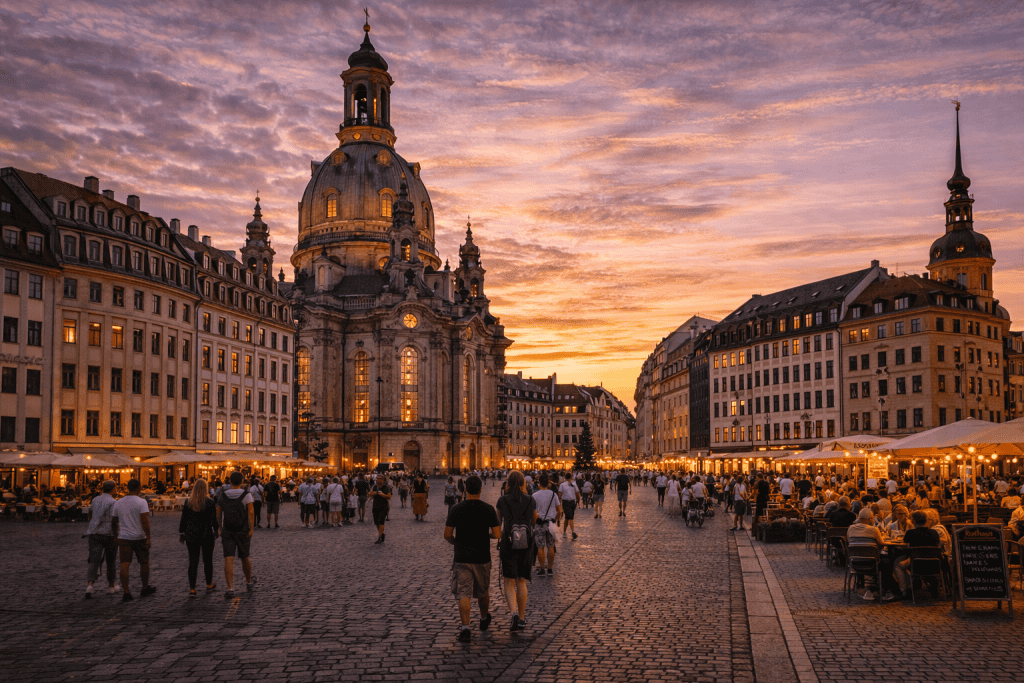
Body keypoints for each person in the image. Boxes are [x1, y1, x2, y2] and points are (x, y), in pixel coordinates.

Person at [444, 475, 500, 642]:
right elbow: (497, 534)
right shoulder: (488, 509)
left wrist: (456, 542)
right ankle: (483, 619)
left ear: (465, 489)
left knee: (463, 593)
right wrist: (485, 534)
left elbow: (447, 534)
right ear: (481, 490)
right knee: (483, 591)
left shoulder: (456, 509)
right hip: (482, 556)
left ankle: (466, 628)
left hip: (462, 557)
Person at [495, 471, 537, 632]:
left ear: (509, 483)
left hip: (508, 542)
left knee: (508, 580)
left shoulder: (502, 500)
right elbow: (534, 520)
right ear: (522, 484)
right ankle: (521, 617)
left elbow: (498, 523)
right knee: (521, 580)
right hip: (525, 543)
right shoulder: (530, 499)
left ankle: (512, 612)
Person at [111, 479, 155, 602]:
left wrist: (115, 535)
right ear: (139, 488)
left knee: (124, 564)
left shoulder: (118, 503)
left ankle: (126, 592)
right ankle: (145, 587)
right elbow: (145, 521)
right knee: (144, 562)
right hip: (140, 537)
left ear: (128, 488)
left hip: (124, 537)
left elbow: (114, 522)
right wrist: (148, 537)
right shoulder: (141, 502)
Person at [216, 471, 255, 598]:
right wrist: (251, 529)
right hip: (242, 530)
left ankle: (230, 587)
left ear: (230, 481)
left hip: (227, 530)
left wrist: (220, 527)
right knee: (245, 557)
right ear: (242, 481)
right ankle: (249, 581)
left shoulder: (223, 495)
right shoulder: (246, 495)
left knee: (228, 558)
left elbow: (218, 513)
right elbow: (250, 513)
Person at [178, 478, 219, 597]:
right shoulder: (210, 502)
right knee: (208, 561)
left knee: (193, 561)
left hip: (191, 534)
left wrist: (181, 532)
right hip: (206, 534)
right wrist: (216, 530)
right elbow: (213, 520)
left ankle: (192, 588)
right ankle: (209, 584)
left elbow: (184, 519)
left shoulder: (188, 502)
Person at [893, 510, 942, 600]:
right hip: (933, 564)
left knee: (898, 565)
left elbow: (904, 544)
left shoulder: (910, 533)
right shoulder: (934, 533)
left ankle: (904, 590)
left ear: (913, 521)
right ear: (926, 520)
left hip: (916, 563)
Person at [85, 480, 119, 598]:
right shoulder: (113, 502)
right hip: (109, 533)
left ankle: (90, 585)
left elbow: (90, 514)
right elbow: (115, 519)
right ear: (113, 489)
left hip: (94, 532)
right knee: (111, 561)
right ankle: (111, 585)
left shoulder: (95, 500)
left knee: (94, 560)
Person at [846, 508, 890, 601]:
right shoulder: (874, 530)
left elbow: (848, 540)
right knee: (887, 561)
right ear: (870, 519)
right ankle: (886, 589)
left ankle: (865, 586)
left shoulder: (851, 528)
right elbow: (882, 543)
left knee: (868, 556)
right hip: (872, 564)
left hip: (855, 563)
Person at [532, 474, 561, 576]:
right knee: (550, 546)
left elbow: (533, 512)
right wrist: (555, 519)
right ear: (548, 483)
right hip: (550, 523)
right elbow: (559, 510)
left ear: (539, 483)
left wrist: (534, 521)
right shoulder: (554, 495)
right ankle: (550, 569)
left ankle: (542, 568)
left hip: (540, 523)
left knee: (540, 547)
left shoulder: (534, 495)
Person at [369, 474, 392, 544]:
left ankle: (379, 537)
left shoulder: (386, 487)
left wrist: (382, 494)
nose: (377, 481)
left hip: (383, 507)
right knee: (376, 522)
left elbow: (389, 497)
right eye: (377, 479)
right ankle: (382, 534)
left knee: (381, 521)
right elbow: (369, 494)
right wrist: (375, 493)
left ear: (382, 480)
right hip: (375, 506)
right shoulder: (374, 487)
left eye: (379, 479)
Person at [558, 474, 581, 539]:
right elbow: (578, 493)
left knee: (567, 518)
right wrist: (578, 499)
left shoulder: (563, 485)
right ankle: (573, 532)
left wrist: (559, 503)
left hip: (568, 502)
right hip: (569, 502)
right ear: (571, 477)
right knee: (570, 517)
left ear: (565, 477)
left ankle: (564, 532)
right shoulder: (572, 484)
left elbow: (559, 495)